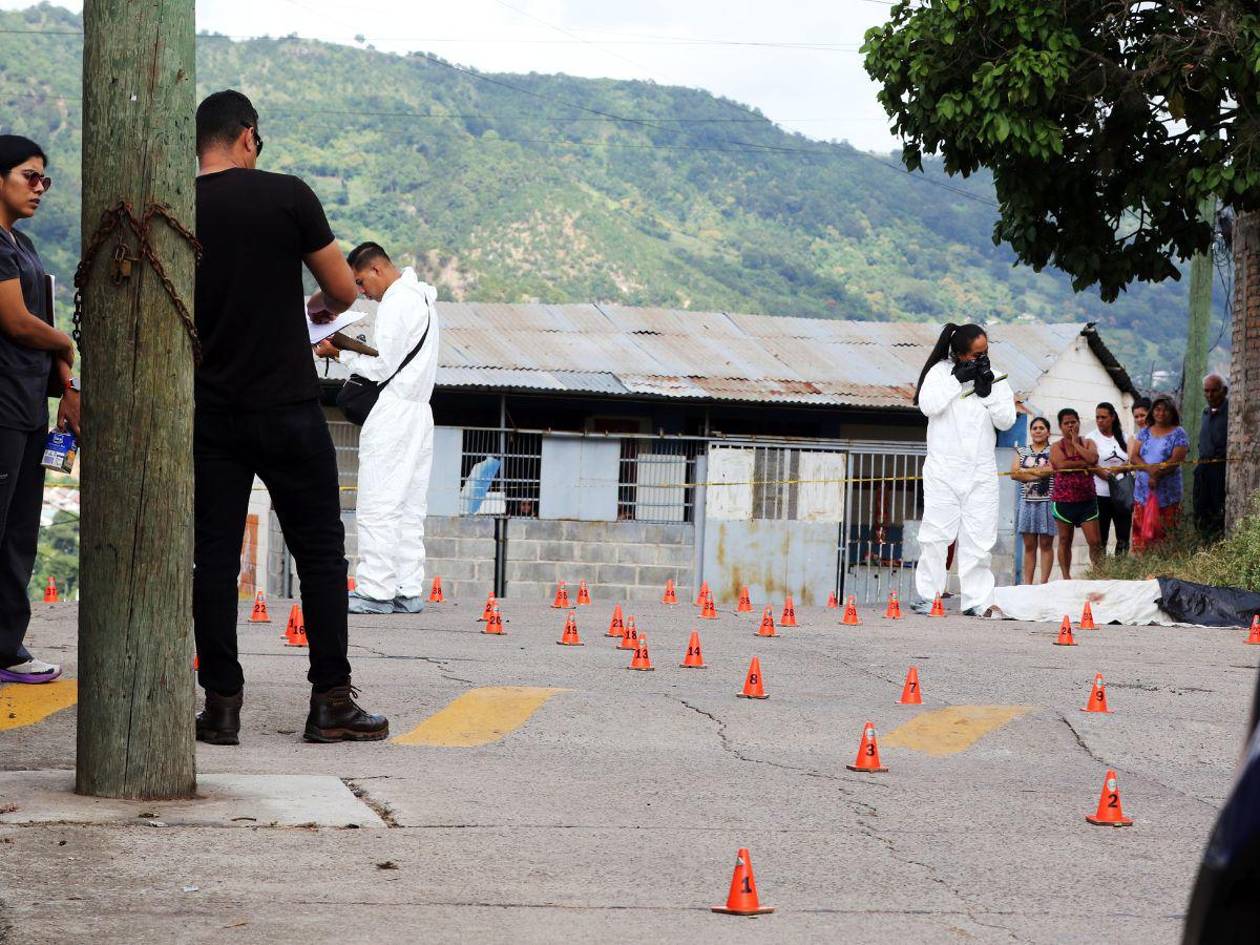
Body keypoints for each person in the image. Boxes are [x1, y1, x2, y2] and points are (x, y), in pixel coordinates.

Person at [193, 90, 387, 744]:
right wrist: (323, 312)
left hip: (212, 411)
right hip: (286, 406)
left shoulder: (179, 204)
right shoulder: (288, 195)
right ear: (248, 136)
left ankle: (221, 705)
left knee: (214, 559)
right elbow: (341, 288)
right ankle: (331, 699)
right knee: (321, 555)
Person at [314, 242, 439, 615]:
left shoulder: (398, 303)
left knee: (378, 504)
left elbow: (381, 365)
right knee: (409, 505)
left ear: (377, 270)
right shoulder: (424, 299)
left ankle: (375, 590)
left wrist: (337, 352)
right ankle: (406, 587)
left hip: (395, 412)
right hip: (419, 412)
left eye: (361, 282)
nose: (362, 292)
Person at [0, 135, 77, 685]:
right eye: (30, 176)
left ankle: (7, 647)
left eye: (44, 179)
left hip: (27, 406)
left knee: (18, 535)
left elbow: (39, 314)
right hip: (2, 407)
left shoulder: (21, 244)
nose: (40, 188)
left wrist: (66, 384)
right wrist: (65, 343)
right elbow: (17, 320)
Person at [912, 323, 1016, 615]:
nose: (981, 359)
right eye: (976, 355)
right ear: (959, 354)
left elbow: (1006, 420)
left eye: (985, 353)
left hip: (981, 469)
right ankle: (928, 596)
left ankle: (977, 600)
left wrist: (988, 392)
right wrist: (956, 380)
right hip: (943, 467)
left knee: (980, 538)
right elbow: (928, 405)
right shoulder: (939, 373)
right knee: (935, 535)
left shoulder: (994, 379)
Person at [1129, 395, 1190, 552]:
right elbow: (1134, 456)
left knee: (1165, 535)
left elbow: (1176, 460)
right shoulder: (1145, 432)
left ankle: (1163, 571)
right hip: (1143, 493)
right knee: (1142, 536)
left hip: (1167, 496)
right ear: (1152, 411)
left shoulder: (1179, 433)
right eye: (1157, 409)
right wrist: (1150, 470)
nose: (1161, 413)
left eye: (1166, 410)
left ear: (1172, 412)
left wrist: (1156, 475)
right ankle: (1142, 571)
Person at [1049, 408, 1102, 578]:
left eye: (1073, 422)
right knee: (1065, 540)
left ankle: (1098, 573)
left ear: (1079, 423)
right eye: (1066, 423)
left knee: (1094, 541)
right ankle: (1066, 577)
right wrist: (1083, 464)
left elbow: (1093, 459)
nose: (1070, 425)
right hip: (1064, 502)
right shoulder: (1056, 446)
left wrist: (1075, 443)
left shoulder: (1088, 442)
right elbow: (1061, 465)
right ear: (1060, 426)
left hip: (1087, 501)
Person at [1010, 417, 1055, 584]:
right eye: (1034, 428)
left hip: (1047, 502)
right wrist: (1040, 471)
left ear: (1048, 431)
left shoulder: (1054, 450)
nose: (1037, 430)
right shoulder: (1021, 451)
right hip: (1027, 502)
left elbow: (1051, 470)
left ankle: (1043, 584)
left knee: (1046, 544)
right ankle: (1027, 585)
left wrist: (1026, 472)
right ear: (1030, 431)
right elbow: (1014, 474)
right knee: (1029, 546)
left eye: (1041, 427)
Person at [1087, 402, 1132, 555]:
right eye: (1097, 417)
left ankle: (1121, 571)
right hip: (1100, 494)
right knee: (1101, 538)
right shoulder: (1091, 438)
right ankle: (1101, 573)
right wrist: (1103, 474)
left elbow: (1132, 459)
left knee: (1123, 536)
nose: (1099, 421)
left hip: (1122, 493)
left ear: (1112, 417)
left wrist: (1120, 469)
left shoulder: (1125, 437)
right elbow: (1089, 462)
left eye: (1103, 417)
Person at [1193, 373, 1228, 541]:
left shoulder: (1231, 412)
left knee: (1218, 511)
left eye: (1214, 391)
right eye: (1206, 391)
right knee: (1201, 511)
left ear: (1224, 391)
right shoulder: (1205, 412)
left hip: (1220, 470)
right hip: (1203, 469)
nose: (1210, 395)